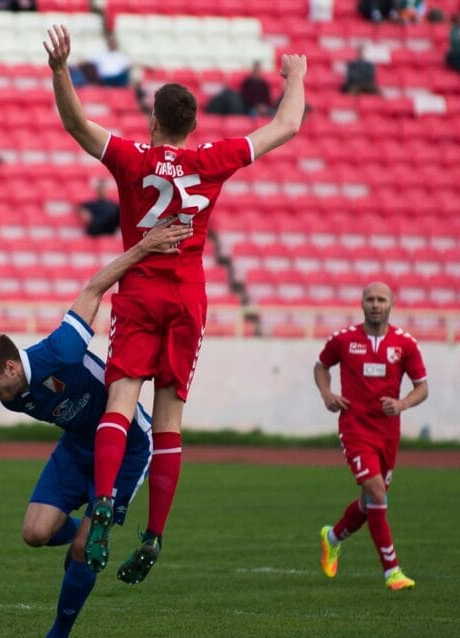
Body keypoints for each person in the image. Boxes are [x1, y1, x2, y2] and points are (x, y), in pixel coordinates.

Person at [44, 24, 307, 582]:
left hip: (139, 289)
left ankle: (102, 505)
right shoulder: (214, 158)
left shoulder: (134, 158)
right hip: (188, 296)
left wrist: (61, 69)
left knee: (120, 402)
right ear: (193, 125)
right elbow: (288, 124)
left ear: (155, 121)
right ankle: (156, 533)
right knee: (170, 419)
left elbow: (74, 123)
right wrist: (296, 75)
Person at [0, 219, 193, 638]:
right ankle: (83, 548)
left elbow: (93, 290)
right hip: (76, 449)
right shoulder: (13, 398)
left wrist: (144, 248)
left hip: (126, 446)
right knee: (34, 533)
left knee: (85, 545)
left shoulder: (58, 352)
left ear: (10, 367)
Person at [314, 282, 427, 592]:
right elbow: (321, 366)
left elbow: (422, 387)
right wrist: (327, 393)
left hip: (388, 433)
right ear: (361, 303)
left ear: (391, 304)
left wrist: (403, 403)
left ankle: (332, 537)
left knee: (370, 503)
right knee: (377, 493)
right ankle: (392, 570)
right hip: (355, 428)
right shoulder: (344, 340)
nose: (375, 304)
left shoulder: (405, 344)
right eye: (370, 299)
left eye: (381, 299)